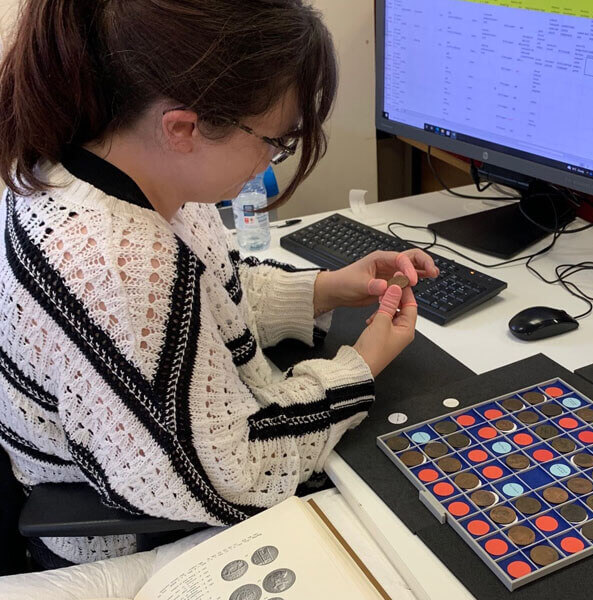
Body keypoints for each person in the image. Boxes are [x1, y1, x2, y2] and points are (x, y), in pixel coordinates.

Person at [0, 0, 437, 567]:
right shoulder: (112, 264)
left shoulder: (120, 165)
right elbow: (235, 474)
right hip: (139, 531)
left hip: (183, 448)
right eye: (276, 140)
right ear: (182, 127)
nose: (275, 159)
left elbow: (202, 299)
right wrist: (361, 366)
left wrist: (324, 288)